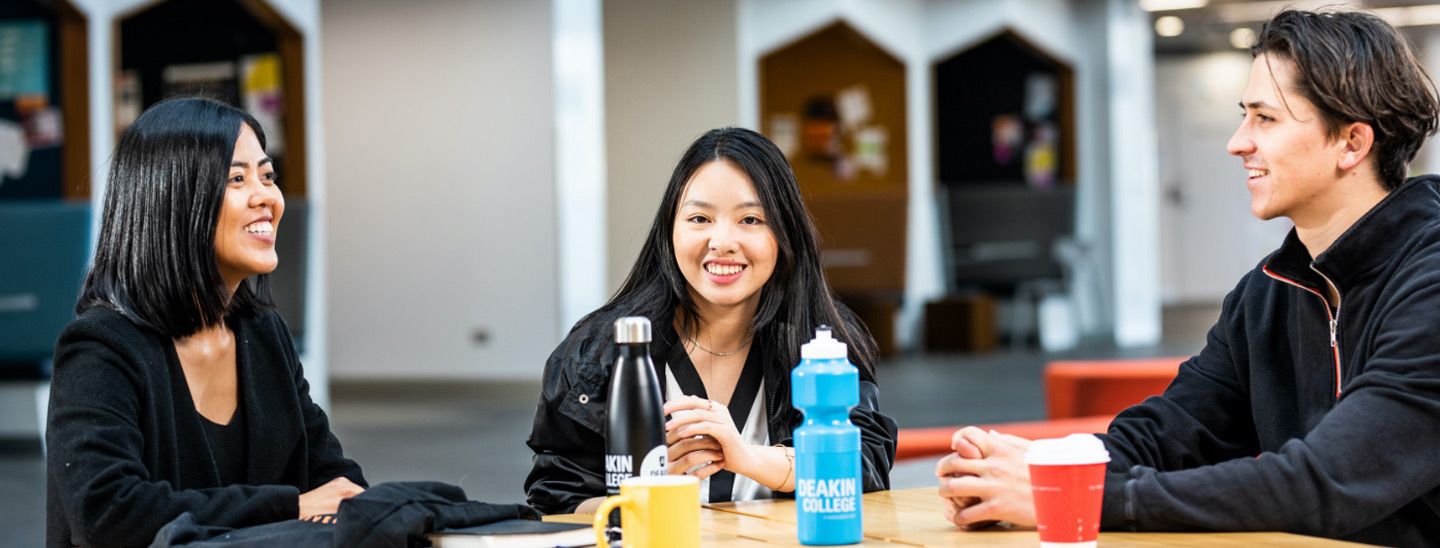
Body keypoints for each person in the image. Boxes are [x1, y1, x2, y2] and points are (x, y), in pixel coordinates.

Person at [936, 8, 1440, 545]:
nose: (1237, 142)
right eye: (1243, 116)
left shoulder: (1429, 278)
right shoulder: (1267, 292)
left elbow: (1326, 481)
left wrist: (1074, 494)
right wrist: (1039, 466)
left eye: (1264, 119)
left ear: (1352, 143)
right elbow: (1168, 434)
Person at [525, 127, 898, 514]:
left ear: (786, 232)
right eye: (700, 218)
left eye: (751, 219)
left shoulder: (823, 344)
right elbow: (554, 505)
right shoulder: (597, 351)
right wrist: (645, 491)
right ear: (670, 229)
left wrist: (748, 457)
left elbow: (864, 467)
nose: (722, 241)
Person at [46, 98, 366, 547]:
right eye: (237, 178)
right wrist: (290, 506)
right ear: (173, 200)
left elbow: (331, 477)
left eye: (267, 175)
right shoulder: (100, 348)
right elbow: (107, 511)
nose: (266, 197)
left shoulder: (264, 334)